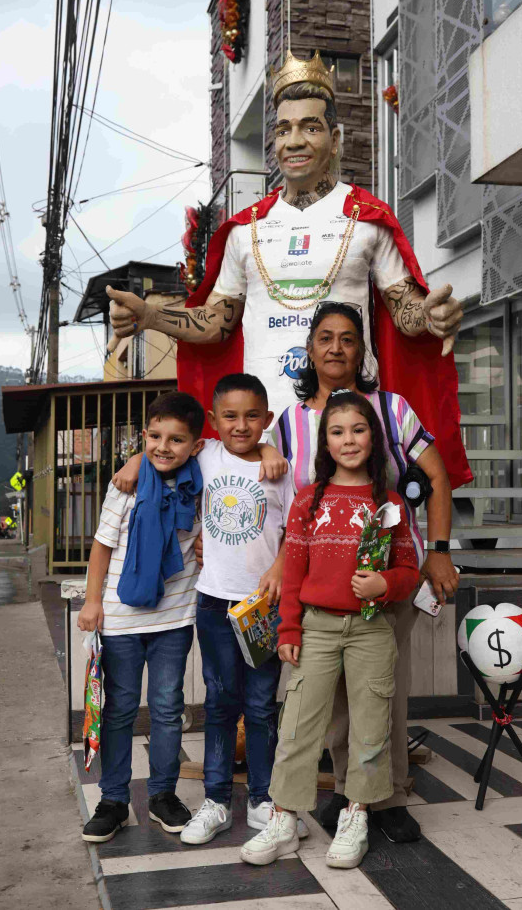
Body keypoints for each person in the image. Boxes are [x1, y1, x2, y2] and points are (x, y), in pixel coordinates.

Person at [104, 51, 470, 496]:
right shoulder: (246, 230)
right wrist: (151, 317)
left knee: (349, 556)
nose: (294, 140)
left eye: (310, 127)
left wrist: (430, 317)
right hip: (260, 439)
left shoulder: (366, 219)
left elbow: (404, 308)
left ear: (335, 139)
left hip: (348, 431)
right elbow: (219, 321)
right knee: (262, 563)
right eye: (284, 129)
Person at [270, 301, 459, 842]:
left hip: (389, 582)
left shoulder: (393, 409)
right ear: (309, 349)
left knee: (383, 693)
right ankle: (348, 792)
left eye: (348, 338)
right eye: (325, 338)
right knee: (329, 699)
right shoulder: (290, 420)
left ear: (362, 350)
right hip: (322, 591)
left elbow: (438, 477)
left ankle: (389, 797)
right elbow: (258, 471)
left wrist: (438, 552)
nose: (336, 348)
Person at [113, 375, 299, 844]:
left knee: (260, 704)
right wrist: (136, 459)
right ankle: (215, 800)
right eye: (230, 416)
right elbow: (164, 450)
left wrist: (279, 567)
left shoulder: (281, 470)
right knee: (219, 703)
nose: (241, 425)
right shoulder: (207, 456)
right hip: (214, 602)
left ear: (267, 420)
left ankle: (261, 797)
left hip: (262, 608)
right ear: (214, 423)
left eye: (252, 416)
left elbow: (296, 531)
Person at [240, 391, 419, 869]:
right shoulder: (308, 501)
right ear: (325, 443)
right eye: (337, 432)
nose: (348, 440)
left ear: (374, 438)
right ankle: (282, 819)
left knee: (369, 726)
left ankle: (356, 815)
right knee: (298, 723)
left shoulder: (392, 504)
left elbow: (408, 571)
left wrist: (385, 585)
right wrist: (289, 630)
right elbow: (293, 573)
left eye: (358, 430)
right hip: (316, 629)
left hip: (371, 630)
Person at [78, 393, 205, 844]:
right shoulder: (126, 485)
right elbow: (101, 546)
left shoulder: (201, 480)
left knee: (169, 710)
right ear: (143, 435)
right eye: (154, 436)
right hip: (121, 619)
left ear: (196, 444)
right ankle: (113, 800)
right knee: (119, 710)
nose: (163, 446)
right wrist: (92, 602)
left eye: (177, 439)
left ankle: (162, 795)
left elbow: (237, 449)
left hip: (173, 618)